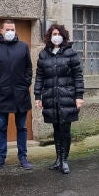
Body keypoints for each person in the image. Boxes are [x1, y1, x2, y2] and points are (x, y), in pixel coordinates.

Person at [34, 24, 85, 174]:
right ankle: (58, 159)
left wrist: (79, 96)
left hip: (67, 96)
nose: (56, 36)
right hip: (51, 97)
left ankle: (64, 160)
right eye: (53, 34)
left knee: (65, 129)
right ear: (49, 37)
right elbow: (40, 77)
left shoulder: (70, 53)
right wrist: (38, 96)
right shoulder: (44, 54)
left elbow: (78, 76)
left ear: (63, 36)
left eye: (58, 33)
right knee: (56, 128)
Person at [0, 19, 33, 170]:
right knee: (2, 127)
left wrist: (25, 84)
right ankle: (0, 158)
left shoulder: (23, 47)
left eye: (12, 29)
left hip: (21, 95)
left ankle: (23, 157)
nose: (10, 32)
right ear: (1, 31)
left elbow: (29, 69)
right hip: (3, 95)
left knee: (22, 127)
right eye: (7, 29)